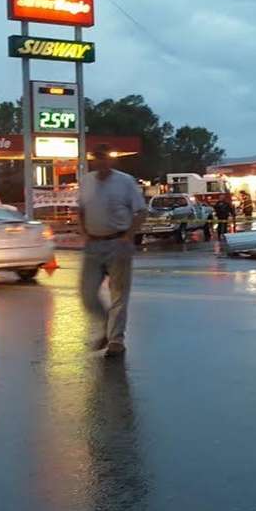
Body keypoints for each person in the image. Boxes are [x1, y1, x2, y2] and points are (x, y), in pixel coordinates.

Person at [78, 144, 148, 357]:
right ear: (93, 160)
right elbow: (80, 209)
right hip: (93, 245)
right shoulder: (87, 181)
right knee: (87, 293)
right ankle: (107, 323)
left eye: (105, 157)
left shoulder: (125, 181)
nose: (101, 161)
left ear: (111, 160)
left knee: (118, 294)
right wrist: (84, 232)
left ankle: (116, 339)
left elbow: (141, 211)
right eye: (97, 157)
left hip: (118, 243)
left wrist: (128, 236)